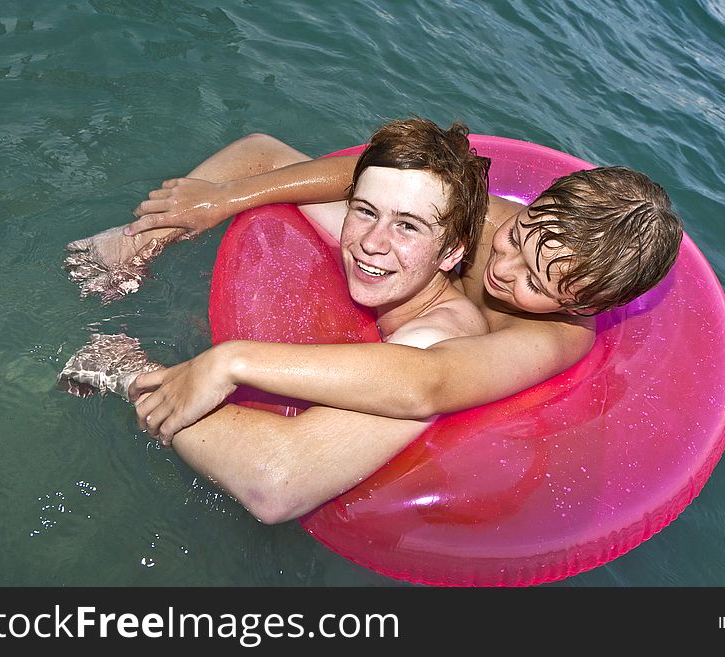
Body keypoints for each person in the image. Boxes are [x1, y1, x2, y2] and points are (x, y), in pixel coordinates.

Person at [63, 118, 683, 524]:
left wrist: (231, 360)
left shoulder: (552, 337)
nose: (504, 265)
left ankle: (126, 368)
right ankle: (131, 249)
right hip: (416, 298)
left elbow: (427, 382)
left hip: (437, 353)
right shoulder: (501, 227)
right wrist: (221, 201)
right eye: (518, 236)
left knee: (275, 483)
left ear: (583, 307)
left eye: (534, 281)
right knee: (259, 157)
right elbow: (363, 175)